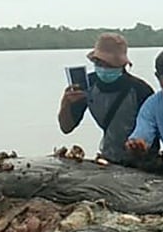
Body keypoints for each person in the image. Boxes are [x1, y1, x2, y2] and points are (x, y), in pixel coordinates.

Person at [57, 32, 157, 164]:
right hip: (108, 159)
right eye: (99, 62)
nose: (104, 67)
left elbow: (153, 131)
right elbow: (66, 128)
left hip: (142, 161)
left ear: (122, 65)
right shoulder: (87, 85)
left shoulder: (140, 90)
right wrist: (66, 104)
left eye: (110, 64)